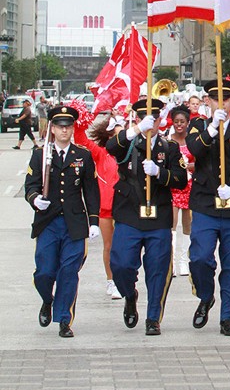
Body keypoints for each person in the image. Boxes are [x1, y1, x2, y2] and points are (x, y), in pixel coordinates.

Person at [106, 98, 188, 336]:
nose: (150, 122)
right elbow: (111, 147)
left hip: (159, 216)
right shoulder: (129, 143)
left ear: (161, 120)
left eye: (154, 118)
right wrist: (135, 130)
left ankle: (153, 317)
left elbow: (181, 179)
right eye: (144, 118)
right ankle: (129, 295)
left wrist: (160, 172)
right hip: (129, 213)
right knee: (120, 265)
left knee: (158, 270)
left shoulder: (169, 147)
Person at [186, 79, 230, 337]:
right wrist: (213, 129)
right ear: (208, 101)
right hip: (205, 204)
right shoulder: (198, 125)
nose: (221, 103)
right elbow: (195, 150)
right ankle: (206, 296)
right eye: (216, 99)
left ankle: (228, 317)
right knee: (200, 258)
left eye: (225, 99)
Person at [24, 105, 101, 338]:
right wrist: (36, 199)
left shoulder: (82, 155)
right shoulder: (40, 154)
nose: (64, 131)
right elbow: (31, 185)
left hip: (74, 223)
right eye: (60, 127)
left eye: (68, 127)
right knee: (45, 272)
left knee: (69, 271)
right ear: (52, 128)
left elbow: (91, 190)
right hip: (48, 222)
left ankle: (65, 319)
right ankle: (48, 300)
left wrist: (94, 220)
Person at [75, 111, 121, 298]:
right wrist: (81, 121)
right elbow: (82, 140)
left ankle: (125, 279)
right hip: (105, 209)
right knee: (109, 246)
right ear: (109, 137)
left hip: (126, 208)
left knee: (124, 247)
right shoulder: (101, 154)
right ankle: (112, 281)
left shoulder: (131, 153)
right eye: (116, 134)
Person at [168, 105, 194, 277]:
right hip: (173, 185)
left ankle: (184, 260)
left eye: (182, 122)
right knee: (171, 223)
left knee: (188, 223)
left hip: (190, 185)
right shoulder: (168, 140)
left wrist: (192, 166)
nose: (179, 125)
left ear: (187, 122)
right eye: (176, 122)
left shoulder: (193, 140)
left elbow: (200, 161)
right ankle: (172, 261)